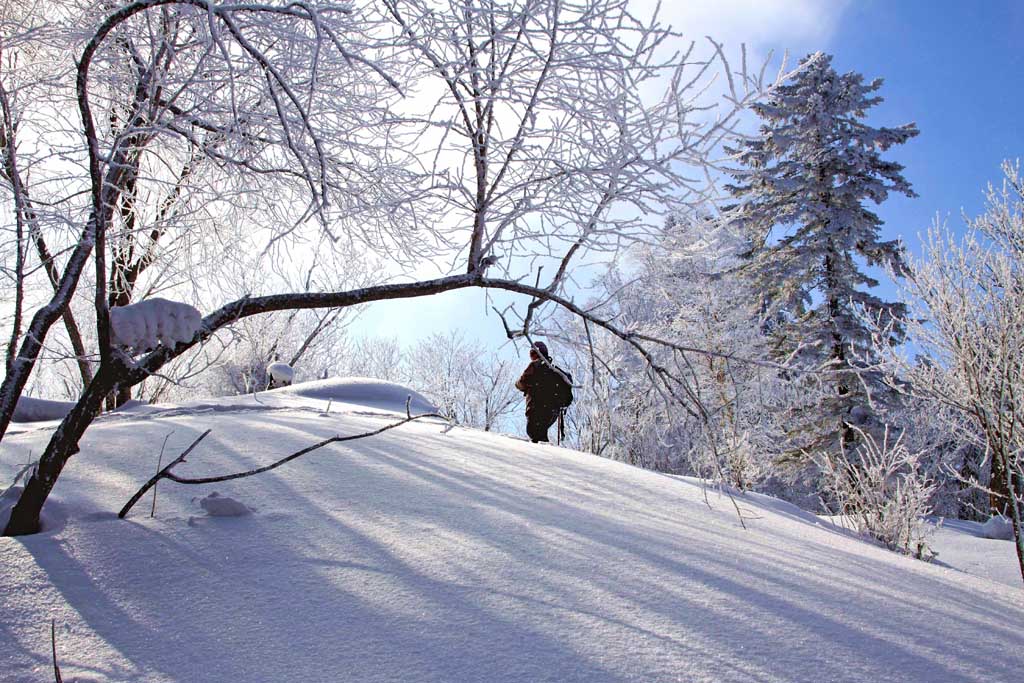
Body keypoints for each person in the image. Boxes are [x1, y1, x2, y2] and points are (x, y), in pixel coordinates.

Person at [515, 341, 572, 443]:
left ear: (537, 353)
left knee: (534, 431)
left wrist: (520, 384)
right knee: (540, 433)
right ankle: (544, 455)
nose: (532, 358)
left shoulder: (535, 366)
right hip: (553, 411)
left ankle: (542, 456)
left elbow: (521, 383)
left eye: (532, 354)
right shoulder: (555, 370)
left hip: (536, 407)